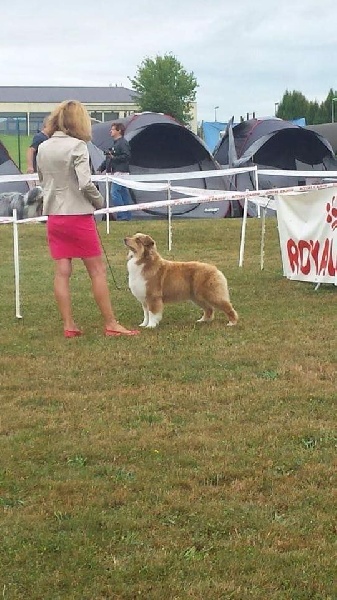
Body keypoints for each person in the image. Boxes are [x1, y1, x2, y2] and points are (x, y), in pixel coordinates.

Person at [37, 100, 139, 338]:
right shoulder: (78, 146)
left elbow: (42, 180)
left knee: (62, 271)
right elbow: (85, 182)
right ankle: (111, 323)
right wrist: (99, 202)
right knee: (97, 271)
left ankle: (69, 325)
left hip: (54, 215)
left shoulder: (44, 147)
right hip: (77, 215)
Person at [98, 122, 133, 221]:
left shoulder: (123, 143)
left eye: (113, 129)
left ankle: (122, 215)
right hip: (117, 171)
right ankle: (127, 215)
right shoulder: (116, 143)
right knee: (123, 193)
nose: (110, 131)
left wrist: (114, 157)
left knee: (114, 192)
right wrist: (102, 167)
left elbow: (127, 156)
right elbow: (109, 158)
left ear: (119, 131)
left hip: (121, 171)